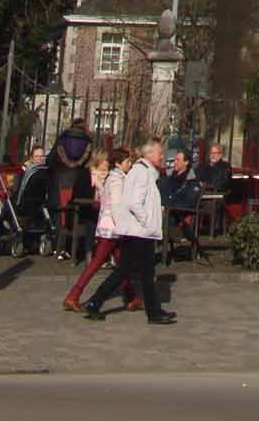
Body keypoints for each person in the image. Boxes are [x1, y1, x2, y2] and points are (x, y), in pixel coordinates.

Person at [83, 138, 175, 325]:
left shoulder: (144, 172)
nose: (162, 156)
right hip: (140, 232)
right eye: (159, 152)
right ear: (149, 154)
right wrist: (147, 221)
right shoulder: (142, 173)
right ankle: (153, 312)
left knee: (127, 271)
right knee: (142, 273)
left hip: (138, 231)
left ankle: (95, 302)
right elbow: (134, 202)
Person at [63, 150, 138, 313]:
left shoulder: (113, 178)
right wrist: (123, 227)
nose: (129, 164)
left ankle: (132, 297)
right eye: (127, 161)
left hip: (110, 227)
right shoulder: (117, 180)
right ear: (118, 163)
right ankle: (74, 295)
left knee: (121, 264)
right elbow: (116, 206)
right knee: (97, 262)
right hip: (112, 229)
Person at [159, 150, 199, 246]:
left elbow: (189, 201)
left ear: (186, 162)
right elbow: (161, 193)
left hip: (177, 214)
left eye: (177, 160)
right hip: (163, 209)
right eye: (174, 160)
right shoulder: (168, 177)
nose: (174, 162)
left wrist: (167, 206)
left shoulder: (192, 181)